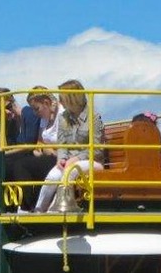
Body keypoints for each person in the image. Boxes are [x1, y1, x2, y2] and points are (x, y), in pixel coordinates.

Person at [34, 80, 107, 213]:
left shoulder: (94, 118)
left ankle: (56, 210)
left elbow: (97, 149)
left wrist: (77, 159)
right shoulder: (63, 118)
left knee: (71, 171)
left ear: (73, 99)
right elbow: (62, 144)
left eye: (63, 98)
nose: (60, 102)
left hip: (93, 161)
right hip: (69, 161)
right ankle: (39, 210)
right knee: (53, 175)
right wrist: (61, 159)